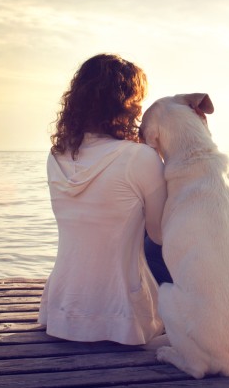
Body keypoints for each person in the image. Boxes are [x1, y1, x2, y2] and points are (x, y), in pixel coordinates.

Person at [38, 53, 166, 346]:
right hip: (122, 316)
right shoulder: (140, 157)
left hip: (61, 310)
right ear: (127, 104)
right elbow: (159, 235)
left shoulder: (56, 155)